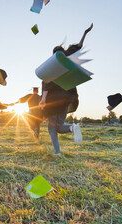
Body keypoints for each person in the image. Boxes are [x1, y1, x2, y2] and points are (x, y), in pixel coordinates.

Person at [39, 23, 93, 155]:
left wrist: (43, 100)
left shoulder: (50, 67)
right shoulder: (69, 62)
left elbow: (45, 84)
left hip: (53, 101)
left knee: (52, 128)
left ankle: (58, 151)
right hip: (67, 99)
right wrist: (85, 33)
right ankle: (72, 128)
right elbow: (79, 47)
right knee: (57, 127)